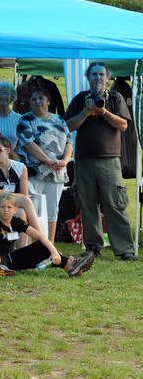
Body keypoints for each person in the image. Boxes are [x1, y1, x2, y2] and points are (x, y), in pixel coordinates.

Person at [63, 62, 135, 261]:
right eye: (94, 75)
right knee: (88, 205)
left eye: (101, 74)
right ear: (88, 77)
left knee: (114, 204)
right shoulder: (80, 99)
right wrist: (86, 112)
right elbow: (67, 126)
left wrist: (104, 112)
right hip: (84, 160)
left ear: (108, 77)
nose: (98, 78)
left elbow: (123, 125)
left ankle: (124, 249)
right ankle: (93, 246)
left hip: (110, 160)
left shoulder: (115, 97)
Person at [0, 194, 93, 277]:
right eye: (2, 207)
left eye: (9, 207)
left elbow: (40, 236)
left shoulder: (16, 221)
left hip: (10, 258)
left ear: (15, 210)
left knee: (42, 245)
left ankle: (70, 266)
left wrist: (54, 251)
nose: (5, 210)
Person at [16, 88, 72, 242]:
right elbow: (28, 144)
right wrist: (48, 160)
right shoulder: (25, 120)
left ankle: (49, 248)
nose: (37, 101)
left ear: (48, 101)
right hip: (34, 173)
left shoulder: (59, 120)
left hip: (57, 173)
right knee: (31, 210)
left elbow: (69, 142)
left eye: (41, 98)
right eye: (33, 99)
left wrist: (65, 161)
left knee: (52, 211)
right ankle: (26, 247)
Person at [0, 136, 41, 245]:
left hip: (17, 206)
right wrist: (11, 198)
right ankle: (42, 241)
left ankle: (21, 252)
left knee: (21, 212)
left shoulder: (21, 167)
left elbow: (24, 194)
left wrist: (3, 193)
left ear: (8, 150)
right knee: (25, 202)